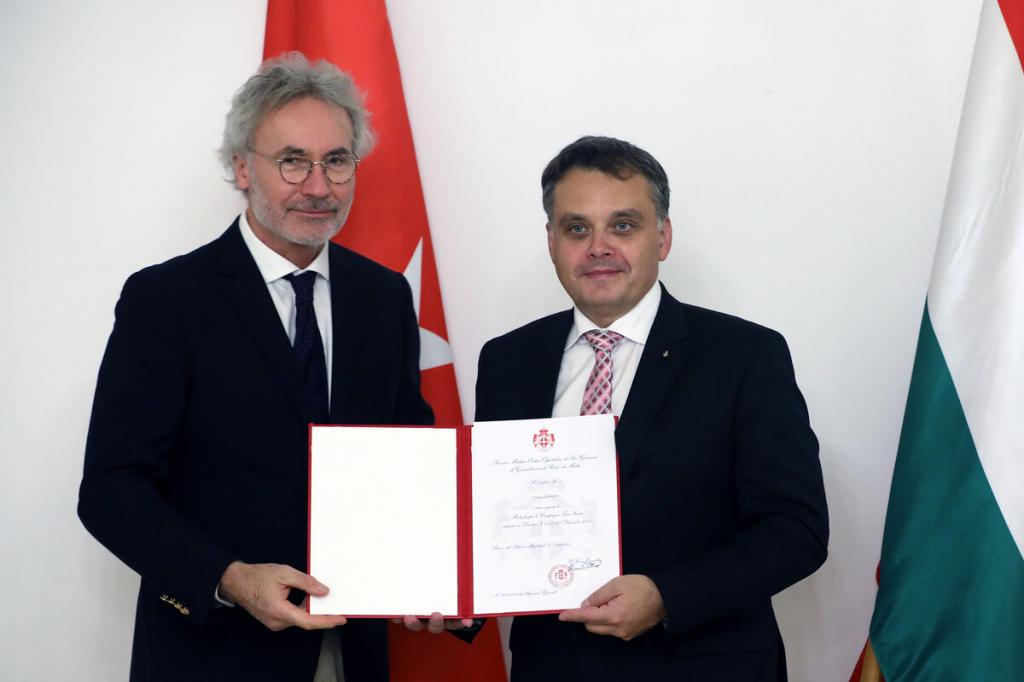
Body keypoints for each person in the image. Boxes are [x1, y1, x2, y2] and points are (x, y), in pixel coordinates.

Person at [77, 53, 433, 681]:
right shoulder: (166, 300)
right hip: (213, 653)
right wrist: (231, 579)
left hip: (351, 651)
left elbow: (407, 457)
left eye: (337, 160)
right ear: (242, 167)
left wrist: (439, 572)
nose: (318, 186)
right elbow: (112, 490)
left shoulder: (385, 297)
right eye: (292, 160)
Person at [474, 136, 829, 681]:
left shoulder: (744, 355)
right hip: (553, 667)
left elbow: (796, 530)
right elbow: (494, 517)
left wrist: (667, 596)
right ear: (551, 242)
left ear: (662, 237)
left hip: (702, 667)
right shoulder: (507, 360)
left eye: (622, 225)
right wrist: (453, 599)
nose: (598, 247)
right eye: (576, 228)